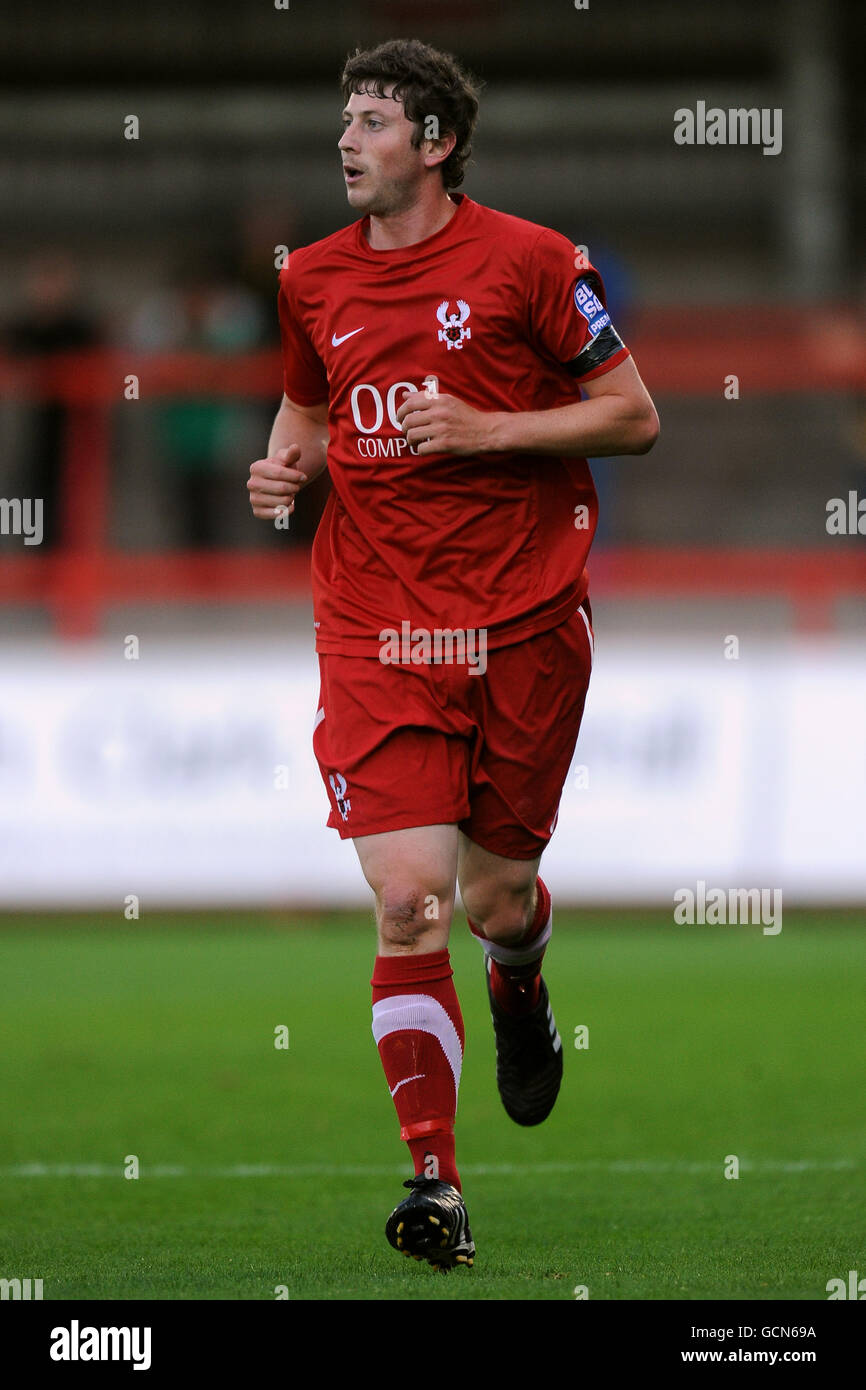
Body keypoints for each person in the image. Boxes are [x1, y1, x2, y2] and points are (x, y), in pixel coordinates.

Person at [248, 37, 659, 1272]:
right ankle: (435, 1179)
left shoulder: (531, 262)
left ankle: (520, 978)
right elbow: (312, 407)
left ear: (433, 143)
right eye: (344, 118)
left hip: (522, 623)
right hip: (375, 624)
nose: (346, 140)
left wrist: (488, 427)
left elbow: (633, 416)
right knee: (410, 893)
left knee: (494, 899)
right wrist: (285, 467)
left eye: (371, 121)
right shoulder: (310, 277)